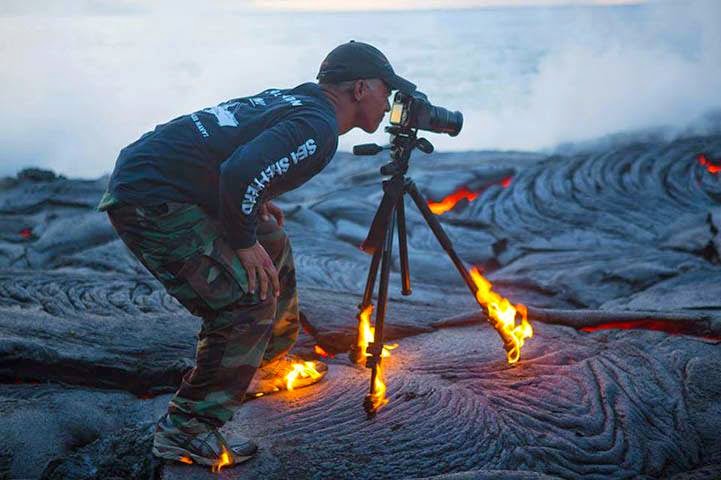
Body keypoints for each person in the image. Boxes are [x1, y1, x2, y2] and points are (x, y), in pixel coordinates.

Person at [97, 40, 416, 468]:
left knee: (273, 240)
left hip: (165, 178)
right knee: (246, 301)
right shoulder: (318, 126)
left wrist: (253, 203)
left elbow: (236, 152)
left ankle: (262, 364)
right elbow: (238, 170)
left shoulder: (300, 99)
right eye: (385, 88)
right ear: (360, 89)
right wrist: (243, 241)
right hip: (151, 199)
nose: (390, 99)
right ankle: (186, 429)